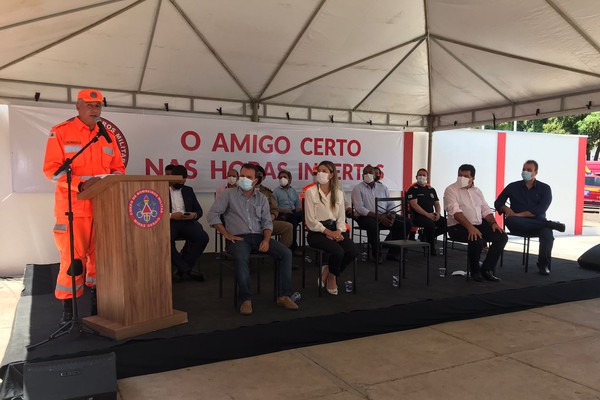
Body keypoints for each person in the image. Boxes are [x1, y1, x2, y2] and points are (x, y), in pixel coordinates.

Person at [42, 88, 126, 327]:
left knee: (101, 260)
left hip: (102, 208)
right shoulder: (61, 132)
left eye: (98, 105)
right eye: (89, 105)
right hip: (73, 209)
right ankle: (69, 311)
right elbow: (52, 171)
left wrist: (112, 180)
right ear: (78, 106)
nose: (94, 109)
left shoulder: (107, 136)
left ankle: (98, 306)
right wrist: (81, 184)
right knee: (72, 261)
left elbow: (118, 168)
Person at [207, 163, 298, 315]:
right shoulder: (229, 194)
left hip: (259, 237)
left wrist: (267, 240)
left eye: (248, 177)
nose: (243, 179)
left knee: (286, 253)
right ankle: (245, 299)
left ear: (256, 180)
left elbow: (267, 222)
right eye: (242, 176)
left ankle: (283, 295)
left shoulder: (262, 198)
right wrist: (226, 234)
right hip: (238, 238)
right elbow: (212, 215)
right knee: (242, 257)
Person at [494, 160, 566, 276]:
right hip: (518, 224)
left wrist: (518, 214)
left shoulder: (545, 188)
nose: (525, 172)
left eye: (529, 170)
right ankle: (550, 224)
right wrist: (506, 209)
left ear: (536, 172)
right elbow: (498, 202)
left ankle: (543, 265)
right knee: (511, 219)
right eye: (524, 169)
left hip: (536, 223)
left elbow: (539, 211)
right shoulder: (513, 186)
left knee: (547, 234)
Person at [443, 164, 507, 282]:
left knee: (501, 237)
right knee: (477, 239)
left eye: (466, 176)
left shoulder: (477, 191)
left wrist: (493, 223)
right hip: (458, 226)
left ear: (473, 178)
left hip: (478, 223)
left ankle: (487, 269)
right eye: (460, 175)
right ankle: (475, 271)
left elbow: (485, 209)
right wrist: (470, 227)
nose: (462, 178)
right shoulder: (451, 190)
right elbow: (455, 212)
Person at [304, 161, 357, 295]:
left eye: (324, 171)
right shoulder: (310, 192)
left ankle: (330, 271)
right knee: (338, 252)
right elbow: (310, 221)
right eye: (319, 171)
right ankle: (332, 278)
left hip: (335, 229)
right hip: (317, 232)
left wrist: (338, 231)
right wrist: (328, 232)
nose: (320, 173)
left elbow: (341, 218)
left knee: (352, 251)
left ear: (331, 174)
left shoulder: (338, 193)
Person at [351, 165, 412, 263]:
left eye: (370, 173)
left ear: (374, 175)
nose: (368, 175)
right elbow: (359, 208)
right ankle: (377, 254)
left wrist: (391, 215)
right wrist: (379, 217)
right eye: (365, 173)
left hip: (384, 216)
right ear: (362, 175)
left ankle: (393, 253)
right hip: (366, 217)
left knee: (406, 222)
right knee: (372, 225)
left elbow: (390, 204)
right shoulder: (357, 188)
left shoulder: (383, 187)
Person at [165, 164, 209, 282]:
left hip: (186, 221)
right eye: (179, 181)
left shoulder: (188, 190)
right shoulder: (161, 189)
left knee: (203, 238)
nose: (182, 183)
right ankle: (187, 270)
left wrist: (193, 215)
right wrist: (171, 215)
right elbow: (156, 213)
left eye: (184, 181)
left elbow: (199, 211)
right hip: (169, 222)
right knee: (166, 241)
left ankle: (181, 269)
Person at [255, 165, 296, 254]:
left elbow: (274, 209)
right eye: (255, 174)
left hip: (267, 222)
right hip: (249, 224)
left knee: (288, 227)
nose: (257, 177)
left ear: (264, 177)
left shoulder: (268, 193)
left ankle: (282, 254)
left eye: (259, 175)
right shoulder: (242, 191)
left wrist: (272, 217)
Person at [406, 168, 447, 256]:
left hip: (431, 215)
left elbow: (437, 204)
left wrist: (438, 214)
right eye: (420, 175)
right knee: (430, 224)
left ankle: (426, 236)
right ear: (416, 177)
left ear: (427, 177)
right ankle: (431, 246)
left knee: (447, 223)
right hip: (417, 216)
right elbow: (414, 205)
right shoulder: (413, 189)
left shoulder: (431, 189)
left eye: (424, 175)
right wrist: (427, 215)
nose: (422, 177)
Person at [274, 169, 303, 254]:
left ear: (289, 179)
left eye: (285, 177)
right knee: (293, 222)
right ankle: (292, 248)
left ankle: (291, 245)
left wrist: (298, 209)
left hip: (293, 213)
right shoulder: (276, 191)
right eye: (280, 177)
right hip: (282, 213)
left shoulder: (293, 191)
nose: (282, 179)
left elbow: (297, 203)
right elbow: (274, 208)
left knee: (304, 216)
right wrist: (286, 211)